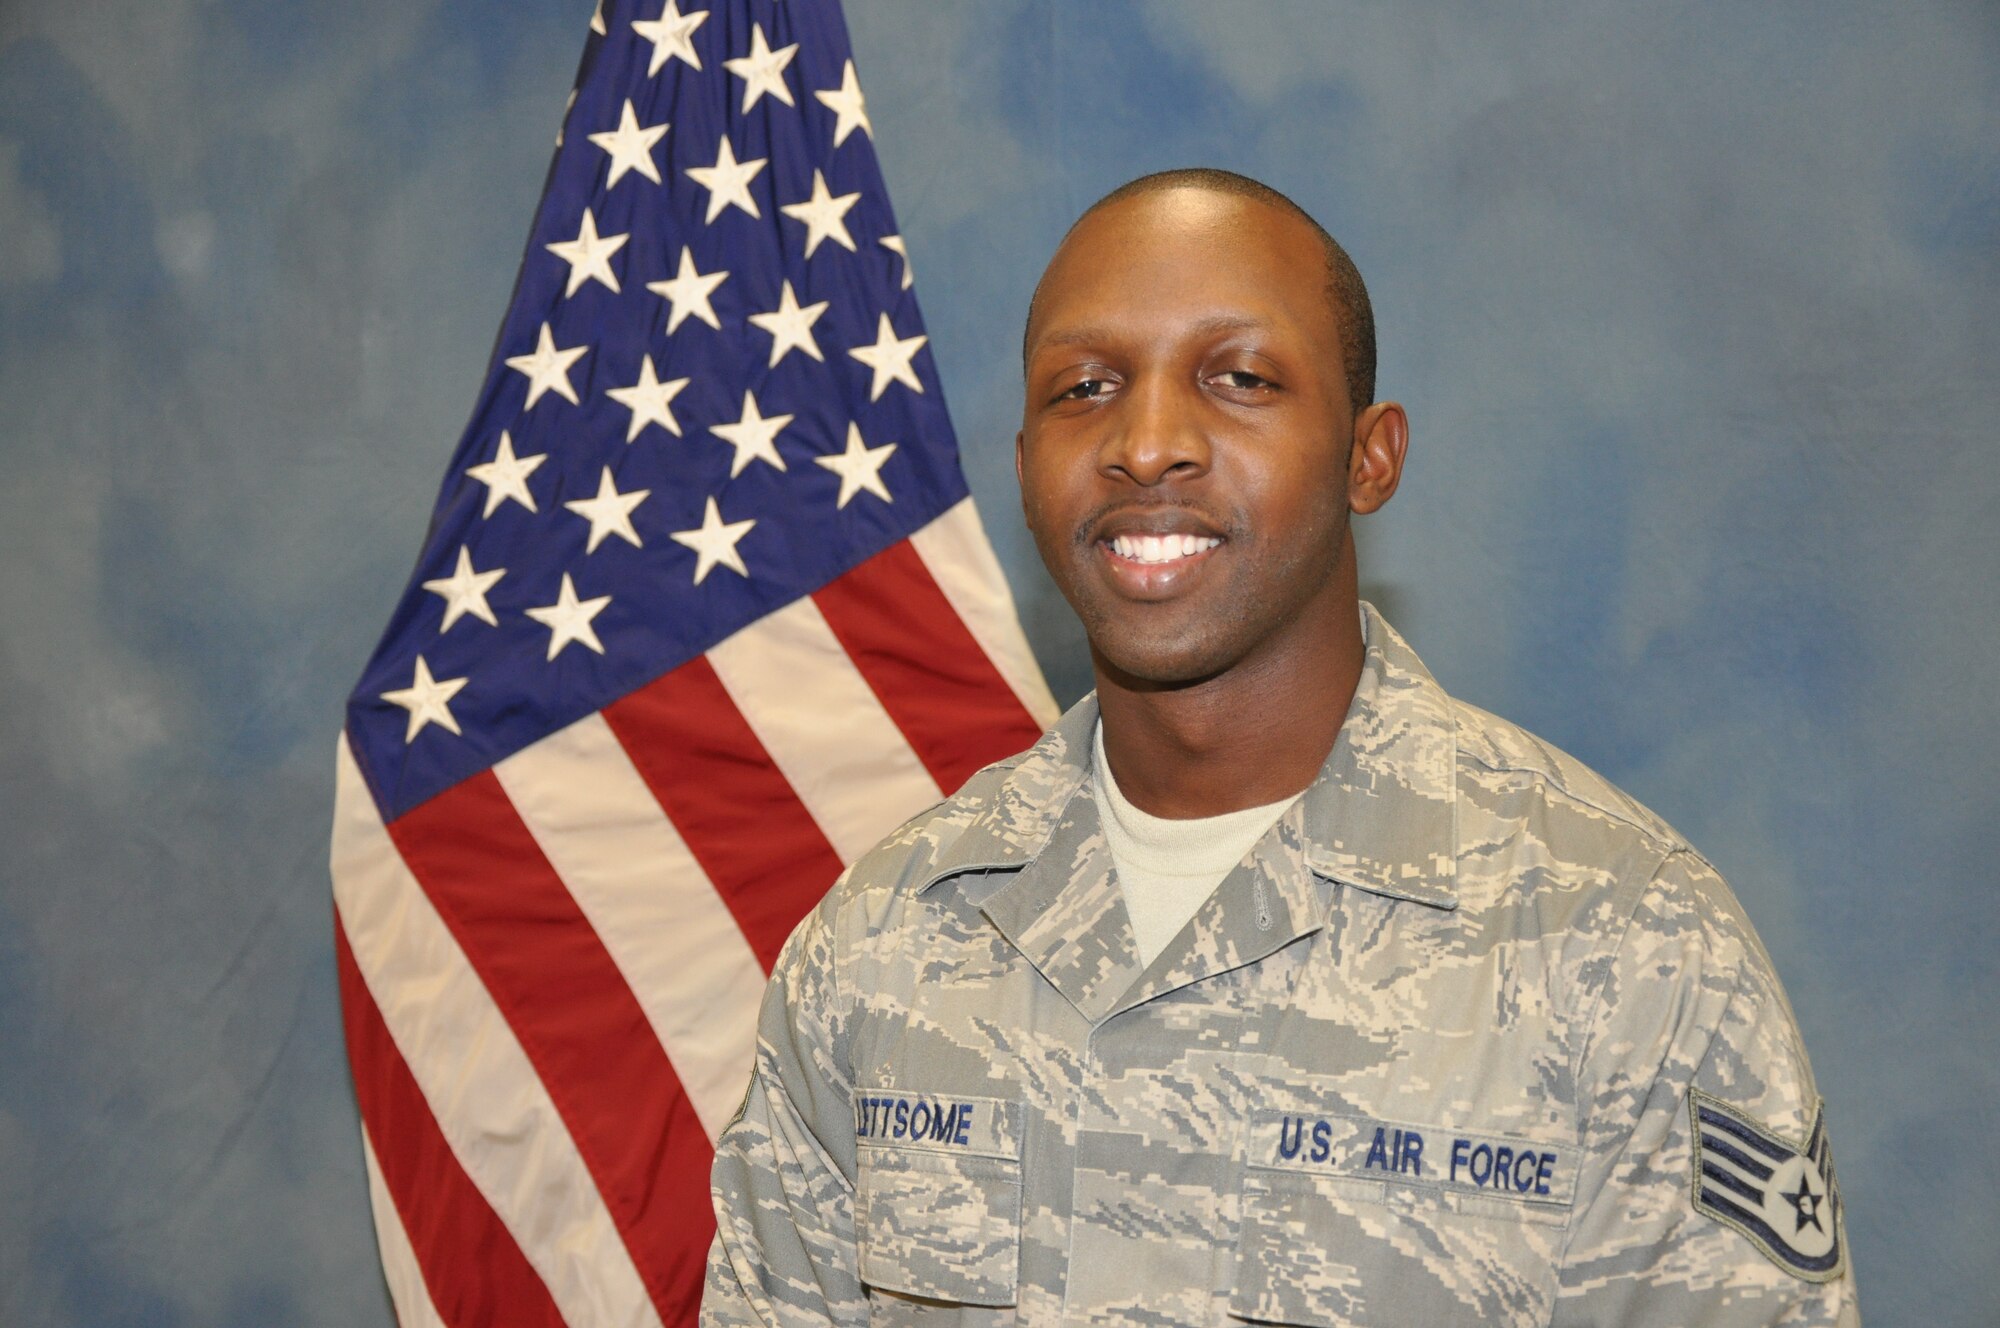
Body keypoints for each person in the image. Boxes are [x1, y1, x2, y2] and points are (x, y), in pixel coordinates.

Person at [700, 168, 1857, 1326]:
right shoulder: (882, 943)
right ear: (1022, 471)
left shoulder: (1626, 943)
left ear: (1369, 456)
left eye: (1239, 378)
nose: (1145, 443)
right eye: (1083, 387)